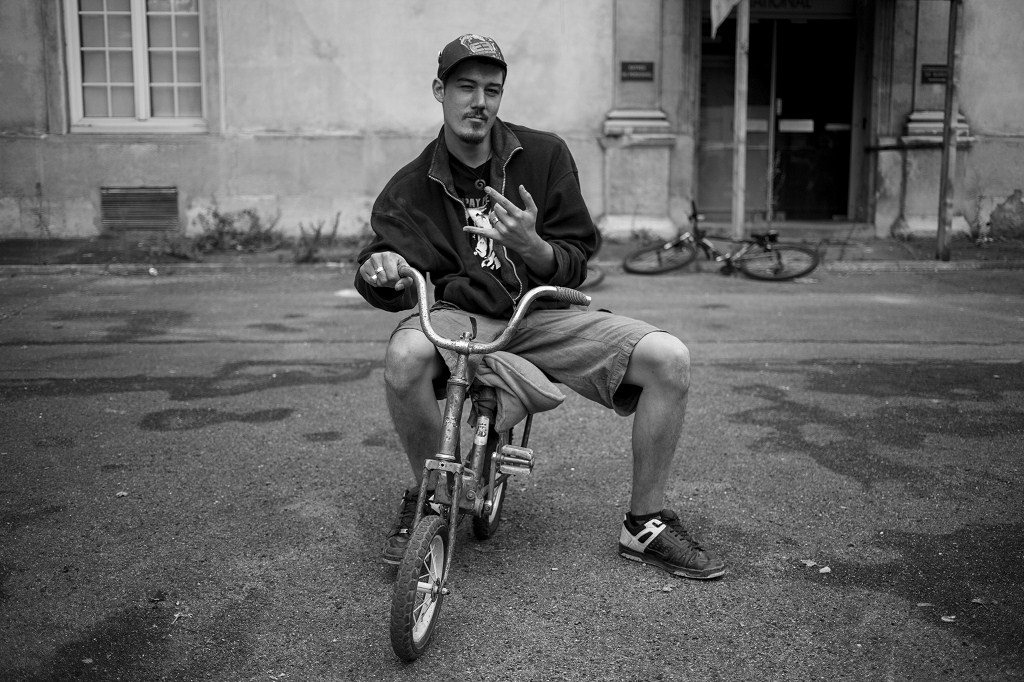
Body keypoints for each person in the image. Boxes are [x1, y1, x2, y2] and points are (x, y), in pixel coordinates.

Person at [354, 34, 725, 580]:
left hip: (542, 313)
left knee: (669, 359)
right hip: (465, 317)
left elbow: (576, 259)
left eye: (492, 90)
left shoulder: (545, 156)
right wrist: (381, 269)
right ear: (439, 91)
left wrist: (533, 247)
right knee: (404, 355)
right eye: (465, 87)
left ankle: (645, 524)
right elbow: (385, 269)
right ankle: (433, 496)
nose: (479, 101)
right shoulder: (411, 186)